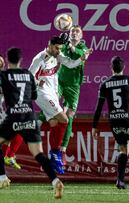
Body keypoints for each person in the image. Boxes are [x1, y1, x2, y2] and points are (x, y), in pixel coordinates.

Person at [0, 47, 64, 199]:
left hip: (13, 116)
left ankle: (3, 178)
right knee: (38, 154)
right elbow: (35, 94)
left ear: (7, 58)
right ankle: (55, 180)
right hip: (30, 116)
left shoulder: (3, 75)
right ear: (20, 60)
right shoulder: (28, 74)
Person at [29, 35, 92, 174]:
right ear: (49, 45)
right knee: (64, 119)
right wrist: (37, 82)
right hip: (42, 94)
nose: (58, 51)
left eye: (60, 49)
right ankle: (55, 153)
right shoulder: (39, 59)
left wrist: (82, 58)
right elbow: (29, 76)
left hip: (51, 93)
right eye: (57, 48)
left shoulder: (57, 55)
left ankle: (52, 159)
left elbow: (70, 63)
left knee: (54, 123)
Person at [92, 56, 129, 190]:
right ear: (123, 67)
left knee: (123, 148)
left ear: (111, 68)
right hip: (128, 118)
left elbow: (98, 108)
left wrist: (94, 126)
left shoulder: (105, 84)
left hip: (114, 120)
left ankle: (120, 180)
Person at [58, 25, 89, 164]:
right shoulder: (63, 45)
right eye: (72, 31)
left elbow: (79, 55)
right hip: (59, 82)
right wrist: (58, 43)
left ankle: (62, 150)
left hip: (74, 86)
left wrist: (70, 46)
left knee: (69, 116)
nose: (74, 33)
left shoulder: (84, 48)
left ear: (81, 36)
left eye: (77, 32)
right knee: (51, 106)